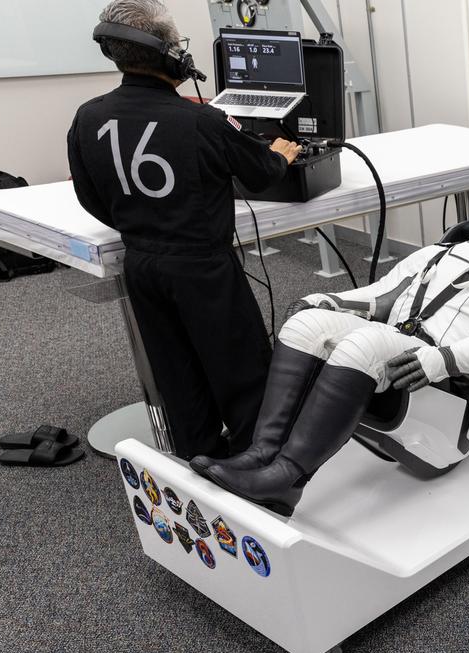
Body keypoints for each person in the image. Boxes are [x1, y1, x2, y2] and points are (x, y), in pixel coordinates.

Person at [190, 174, 469, 516]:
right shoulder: (438, 252)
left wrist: (442, 360)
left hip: (439, 378)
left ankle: (289, 478)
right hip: (400, 348)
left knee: (365, 343)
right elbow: (381, 295)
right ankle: (262, 453)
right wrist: (329, 300)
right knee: (305, 324)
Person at [67, 0, 302, 460]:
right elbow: (260, 174)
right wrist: (281, 155)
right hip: (203, 269)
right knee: (241, 370)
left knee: (176, 373)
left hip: (142, 264)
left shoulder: (87, 116)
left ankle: (198, 463)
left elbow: (91, 196)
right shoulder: (203, 120)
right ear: (170, 55)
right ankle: (254, 469)